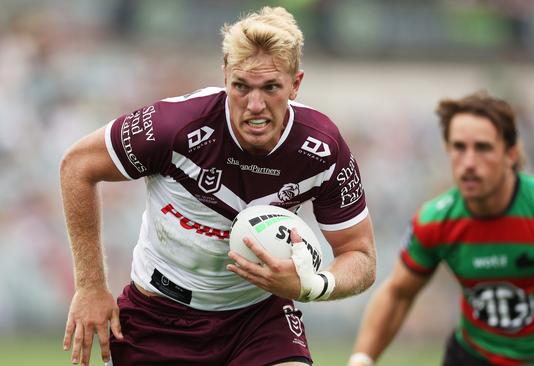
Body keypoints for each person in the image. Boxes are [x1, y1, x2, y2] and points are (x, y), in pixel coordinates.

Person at [60, 6, 376, 366]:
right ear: (225, 76)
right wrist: (89, 286)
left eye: (271, 87)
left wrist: (313, 285)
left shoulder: (322, 149)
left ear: (295, 84)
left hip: (256, 320)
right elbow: (77, 165)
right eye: (241, 86)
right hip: (158, 317)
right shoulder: (173, 126)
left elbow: (361, 255)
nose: (255, 106)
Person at [348, 91, 534, 366]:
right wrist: (361, 360)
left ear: (511, 154)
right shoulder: (435, 221)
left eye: (483, 148)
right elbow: (398, 292)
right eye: (459, 148)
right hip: (475, 356)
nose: (469, 162)